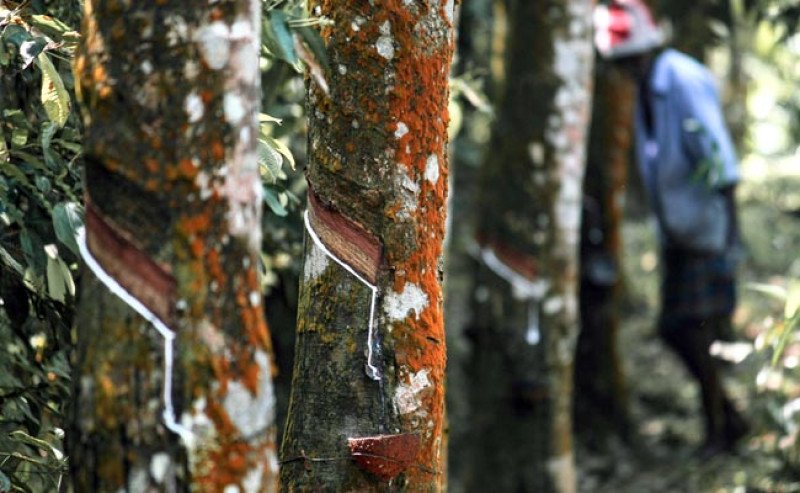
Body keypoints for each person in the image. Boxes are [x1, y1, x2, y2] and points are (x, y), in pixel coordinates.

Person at [593, 0, 748, 457]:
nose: (621, 73)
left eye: (625, 63)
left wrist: (730, 241)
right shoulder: (646, 88)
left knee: (695, 331)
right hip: (679, 234)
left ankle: (721, 428)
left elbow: (720, 161)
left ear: (641, 53)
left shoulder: (679, 78)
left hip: (707, 232)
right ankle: (729, 419)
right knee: (675, 328)